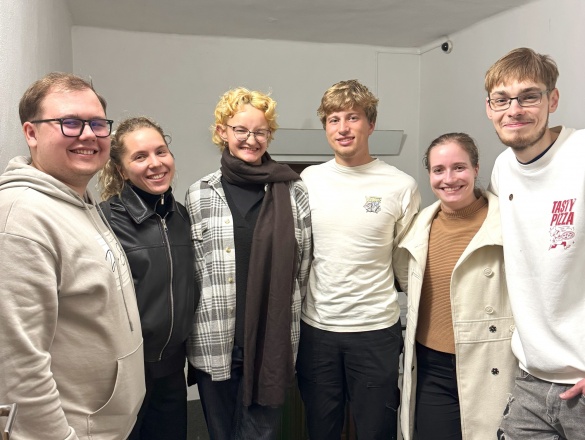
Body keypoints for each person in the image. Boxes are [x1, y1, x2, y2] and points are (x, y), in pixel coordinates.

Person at [0, 72, 145, 439]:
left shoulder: (78, 200)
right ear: (31, 133)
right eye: (70, 122)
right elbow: (17, 366)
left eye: (97, 124)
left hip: (103, 424)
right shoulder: (21, 219)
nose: (88, 135)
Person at [296, 79, 420, 440]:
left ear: (371, 124)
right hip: (318, 330)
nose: (343, 128)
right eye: (333, 120)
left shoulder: (400, 185)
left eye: (353, 117)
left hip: (375, 331)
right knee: (321, 430)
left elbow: (405, 262)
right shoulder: (308, 180)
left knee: (376, 430)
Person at [185, 87, 312, 439]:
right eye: (241, 130)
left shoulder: (293, 191)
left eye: (260, 131)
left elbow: (302, 269)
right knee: (221, 433)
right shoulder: (199, 194)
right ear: (222, 131)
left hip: (271, 345)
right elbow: (193, 272)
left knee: (261, 435)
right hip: (215, 342)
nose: (251, 140)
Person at [486, 47, 585, 440]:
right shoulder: (502, 168)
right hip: (530, 379)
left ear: (552, 100)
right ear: (490, 108)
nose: (515, 110)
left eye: (529, 96)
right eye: (502, 99)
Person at [393, 133, 517, 440]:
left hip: (491, 361)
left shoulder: (508, 223)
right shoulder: (417, 227)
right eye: (439, 170)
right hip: (431, 367)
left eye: (459, 167)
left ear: (476, 168)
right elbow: (407, 281)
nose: (449, 179)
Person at [98, 117, 198, 440]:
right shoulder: (105, 220)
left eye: (161, 152)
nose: (155, 163)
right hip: (124, 375)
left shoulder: (182, 216)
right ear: (121, 170)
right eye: (140, 156)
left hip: (172, 369)